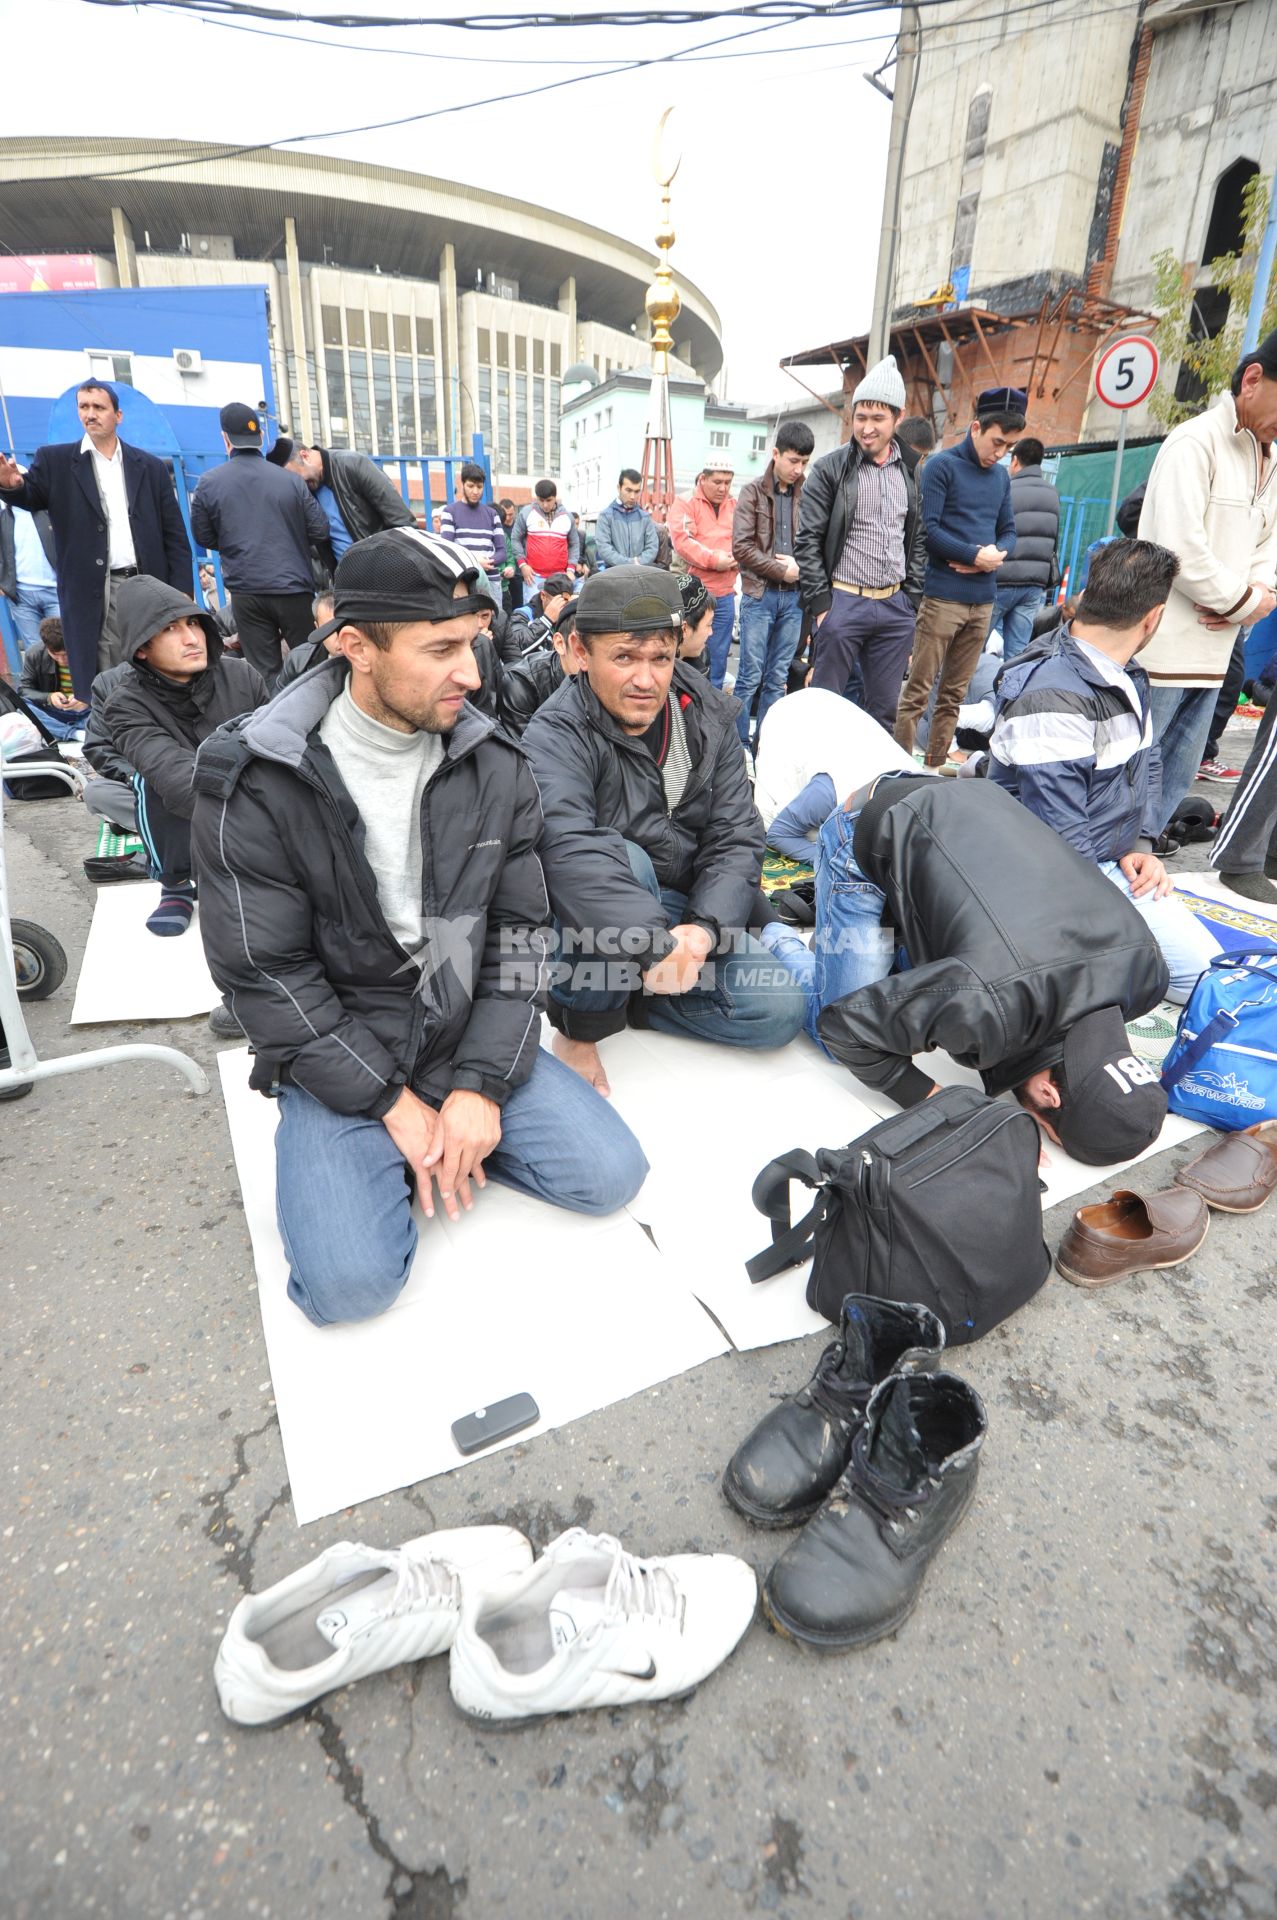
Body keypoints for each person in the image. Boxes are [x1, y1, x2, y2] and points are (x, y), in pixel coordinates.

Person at [191, 529, 647, 1328]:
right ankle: (367, 1154)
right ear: (355, 645)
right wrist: (392, 1106)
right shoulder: (257, 776)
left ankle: (442, 1141)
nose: (471, 675)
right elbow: (266, 973)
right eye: (440, 650)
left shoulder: (493, 761)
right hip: (343, 1044)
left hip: (460, 1027)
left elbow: (519, 932)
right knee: (349, 1289)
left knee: (610, 1175)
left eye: (472, 644)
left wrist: (478, 1086)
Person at [760, 771, 1170, 1164]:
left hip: (972, 802)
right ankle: (769, 928)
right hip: (870, 821)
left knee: (893, 982)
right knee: (837, 1033)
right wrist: (941, 1105)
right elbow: (845, 1028)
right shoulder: (991, 1002)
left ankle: (858, 939)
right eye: (1048, 1129)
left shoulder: (1147, 974)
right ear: (1049, 1095)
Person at [523, 566, 806, 1096]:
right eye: (624, 657)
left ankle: (632, 996)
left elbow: (738, 834)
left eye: (660, 658)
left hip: (678, 907)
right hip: (599, 914)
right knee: (620, 858)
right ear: (582, 653)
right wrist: (654, 946)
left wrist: (701, 931)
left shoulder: (711, 715)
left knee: (777, 1011)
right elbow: (567, 849)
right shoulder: (555, 732)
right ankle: (579, 1027)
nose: (646, 679)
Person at [989, 538, 1221, 997]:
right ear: (1153, 617)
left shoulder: (1126, 671)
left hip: (1107, 861)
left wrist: (1141, 845)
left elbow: (1147, 761)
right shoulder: (1052, 694)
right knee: (1188, 981)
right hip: (1051, 877)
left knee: (1207, 974)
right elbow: (1059, 842)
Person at [1137, 329, 1277, 827]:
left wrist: (1257, 596)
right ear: (1253, 380)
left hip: (1215, 655)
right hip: (1164, 649)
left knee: (1174, 783)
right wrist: (1244, 603)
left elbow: (1268, 547)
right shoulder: (1194, 442)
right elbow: (1179, 548)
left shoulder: (1270, 458)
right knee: (1131, 778)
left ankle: (1141, 860)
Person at [0, 381, 192, 699]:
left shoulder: (150, 467)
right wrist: (9, 486)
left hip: (148, 582)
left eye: (98, 407)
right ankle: (114, 735)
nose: (90, 415)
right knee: (108, 672)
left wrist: (183, 590)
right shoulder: (56, 461)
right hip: (95, 588)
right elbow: (31, 495)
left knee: (158, 662)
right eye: (84, 407)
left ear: (118, 416)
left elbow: (174, 534)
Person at [103, 575, 267, 938]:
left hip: (255, 798)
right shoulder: (125, 705)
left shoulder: (242, 675)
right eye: (171, 629)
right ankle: (175, 883)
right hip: (194, 803)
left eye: (193, 622)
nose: (192, 638)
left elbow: (278, 747)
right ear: (141, 648)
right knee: (151, 782)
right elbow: (173, 773)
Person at [893, 386, 1024, 768]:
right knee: (918, 690)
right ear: (976, 427)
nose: (1000, 453)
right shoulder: (941, 466)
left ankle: (933, 767)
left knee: (953, 694)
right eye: (997, 442)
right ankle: (899, 766)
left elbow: (1010, 531)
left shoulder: (1000, 478)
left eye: (1009, 447)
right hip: (943, 598)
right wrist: (973, 555)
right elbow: (928, 532)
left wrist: (995, 555)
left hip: (983, 600)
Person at [795, 358, 927, 730]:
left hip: (894, 608)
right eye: (860, 417)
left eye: (877, 419)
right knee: (825, 710)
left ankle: (870, 788)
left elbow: (917, 539)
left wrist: (911, 600)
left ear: (898, 417)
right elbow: (808, 541)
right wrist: (823, 607)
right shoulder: (830, 469)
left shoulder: (914, 470)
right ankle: (820, 783)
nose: (867, 428)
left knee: (883, 714)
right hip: (843, 603)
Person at [190, 403, 330, 686]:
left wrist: (235, 542)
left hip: (247, 590)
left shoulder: (209, 482)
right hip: (294, 587)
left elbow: (203, 537)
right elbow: (320, 529)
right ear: (261, 438)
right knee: (311, 667)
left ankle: (270, 728)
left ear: (226, 439)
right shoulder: (291, 481)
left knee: (263, 675)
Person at [753, 688, 914, 861]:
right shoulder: (829, 793)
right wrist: (839, 862)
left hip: (828, 716)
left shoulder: (919, 782)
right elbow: (779, 835)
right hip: (788, 720)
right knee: (771, 815)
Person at [731, 422, 813, 748]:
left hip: (794, 600)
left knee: (777, 679)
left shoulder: (808, 494)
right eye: (793, 460)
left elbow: (819, 547)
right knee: (749, 677)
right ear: (776, 453)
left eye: (804, 462)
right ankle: (736, 748)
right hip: (759, 594)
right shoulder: (752, 491)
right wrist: (783, 571)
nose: (798, 469)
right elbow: (741, 547)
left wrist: (801, 570)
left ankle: (765, 746)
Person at [285, 443, 414, 576]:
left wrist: (389, 569)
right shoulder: (307, 489)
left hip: (382, 575)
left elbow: (402, 522)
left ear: (305, 456)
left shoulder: (353, 463)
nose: (298, 483)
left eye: (296, 476)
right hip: (345, 581)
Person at [990, 436, 1060, 662]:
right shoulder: (1052, 493)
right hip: (1034, 586)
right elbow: (1053, 539)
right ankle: (1009, 697)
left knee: (972, 647)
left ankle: (965, 696)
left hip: (1001, 579)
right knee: (1017, 654)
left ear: (1015, 461)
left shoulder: (1008, 488)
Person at [670, 460, 738, 688]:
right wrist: (714, 560)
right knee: (687, 657)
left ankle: (711, 713)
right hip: (694, 594)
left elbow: (745, 538)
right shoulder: (685, 502)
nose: (723, 488)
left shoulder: (735, 504)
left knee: (718, 662)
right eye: (717, 481)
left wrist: (734, 558)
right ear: (703, 479)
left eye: (728, 482)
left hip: (726, 594)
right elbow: (682, 541)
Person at [497, 598, 582, 736]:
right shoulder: (523, 683)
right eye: (582, 649)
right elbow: (526, 750)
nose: (590, 659)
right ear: (560, 644)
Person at [436, 463, 506, 599]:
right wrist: (475, 562)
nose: (475, 491)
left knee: (494, 619)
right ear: (462, 484)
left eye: (479, 487)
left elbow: (502, 552)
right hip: (464, 579)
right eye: (470, 486)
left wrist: (487, 562)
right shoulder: (450, 512)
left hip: (491, 580)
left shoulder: (492, 514)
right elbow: (447, 549)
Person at [0, 495, 58, 655]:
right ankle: (46, 681)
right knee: (35, 651)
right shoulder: (4, 517)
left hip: (56, 591)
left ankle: (71, 681)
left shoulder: (49, 512)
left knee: (64, 645)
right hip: (21, 596)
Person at [16, 615, 87, 739]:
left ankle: (59, 731)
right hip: (55, 712)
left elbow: (108, 687)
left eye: (65, 655)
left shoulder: (88, 650)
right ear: (47, 647)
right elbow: (24, 690)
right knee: (23, 706)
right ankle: (73, 734)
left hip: (88, 711)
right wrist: (49, 697)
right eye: (56, 655)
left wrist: (88, 699)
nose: (62, 660)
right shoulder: (34, 654)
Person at [512, 480, 580, 602]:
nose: (545, 505)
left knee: (559, 613)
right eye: (541, 500)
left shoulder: (567, 516)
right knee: (533, 613)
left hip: (560, 577)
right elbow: (515, 538)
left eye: (548, 500)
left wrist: (570, 569)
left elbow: (574, 544)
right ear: (536, 497)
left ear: (555, 497)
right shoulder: (527, 513)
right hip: (533, 577)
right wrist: (523, 565)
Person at [595, 470, 659, 570]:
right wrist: (630, 563)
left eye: (637, 491)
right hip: (614, 575)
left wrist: (638, 563)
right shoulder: (605, 516)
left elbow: (652, 547)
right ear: (618, 488)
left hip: (640, 574)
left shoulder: (645, 518)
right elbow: (604, 549)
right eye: (628, 490)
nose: (633, 496)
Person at [508, 573, 574, 654]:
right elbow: (515, 647)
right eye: (558, 602)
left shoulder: (569, 612)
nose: (561, 607)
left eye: (566, 603)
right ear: (543, 596)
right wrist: (546, 620)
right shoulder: (523, 613)